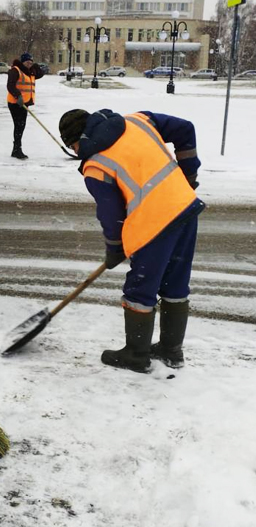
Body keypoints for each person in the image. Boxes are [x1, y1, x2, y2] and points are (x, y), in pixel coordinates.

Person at [58, 108, 204, 373]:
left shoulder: (96, 167)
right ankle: (171, 351)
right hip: (186, 208)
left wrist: (114, 248)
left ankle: (136, 355)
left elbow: (111, 216)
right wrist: (189, 177)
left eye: (72, 145)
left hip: (154, 224)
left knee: (140, 289)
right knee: (175, 281)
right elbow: (185, 128)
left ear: (79, 138)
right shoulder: (139, 120)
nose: (76, 150)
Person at [5, 52, 45, 160]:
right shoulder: (15, 70)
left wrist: (35, 66)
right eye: (27, 62)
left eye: (31, 62)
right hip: (15, 103)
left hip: (24, 103)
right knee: (19, 126)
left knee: (21, 126)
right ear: (23, 62)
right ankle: (17, 150)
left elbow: (41, 74)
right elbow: (10, 85)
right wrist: (18, 96)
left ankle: (16, 149)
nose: (29, 64)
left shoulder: (30, 72)